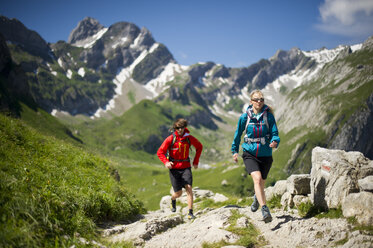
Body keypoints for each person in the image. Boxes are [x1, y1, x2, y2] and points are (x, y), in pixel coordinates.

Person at [231, 89, 280, 223]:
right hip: (249, 153)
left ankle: (256, 198)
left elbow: (275, 133)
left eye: (261, 100)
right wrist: (234, 151)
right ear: (251, 101)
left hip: (266, 155)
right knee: (257, 179)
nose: (259, 102)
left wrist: (275, 142)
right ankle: (265, 210)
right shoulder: (244, 117)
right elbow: (238, 134)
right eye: (256, 100)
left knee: (261, 183)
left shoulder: (269, 116)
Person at [157, 118, 203, 219]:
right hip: (174, 169)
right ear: (175, 128)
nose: (180, 130)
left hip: (186, 166)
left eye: (182, 127)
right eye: (178, 128)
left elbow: (199, 147)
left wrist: (196, 161)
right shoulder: (170, 139)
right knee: (178, 193)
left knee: (189, 188)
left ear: (184, 127)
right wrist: (166, 162)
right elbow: (160, 152)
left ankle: (190, 212)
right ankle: (173, 200)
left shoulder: (189, 138)